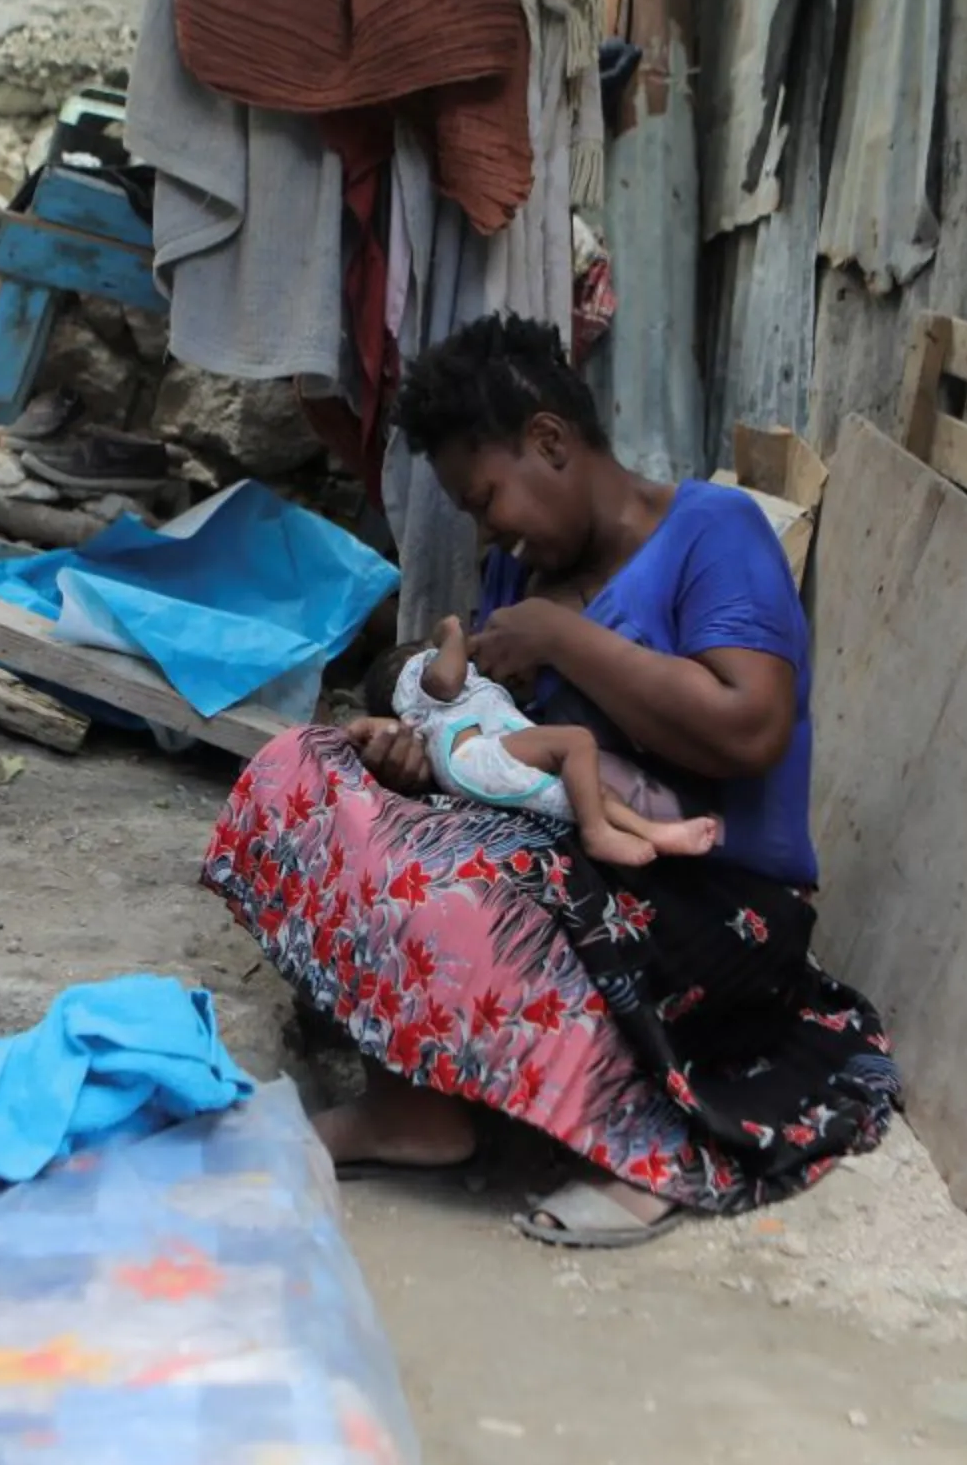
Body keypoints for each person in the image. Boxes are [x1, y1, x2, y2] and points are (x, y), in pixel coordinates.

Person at [200, 313, 897, 1247]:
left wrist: (563, 639)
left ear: (550, 441)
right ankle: (416, 1112)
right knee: (301, 772)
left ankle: (641, 1141)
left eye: (488, 499)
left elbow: (751, 726)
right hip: (567, 870)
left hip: (708, 894)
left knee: (458, 888)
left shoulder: (712, 532)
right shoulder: (511, 580)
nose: (492, 532)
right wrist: (419, 758)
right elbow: (500, 759)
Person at [367, 615, 723, 867]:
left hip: (487, 755)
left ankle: (655, 832)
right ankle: (597, 833)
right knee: (576, 743)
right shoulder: (420, 678)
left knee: (589, 790)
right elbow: (446, 679)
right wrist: (451, 631)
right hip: (474, 756)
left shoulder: (458, 699)